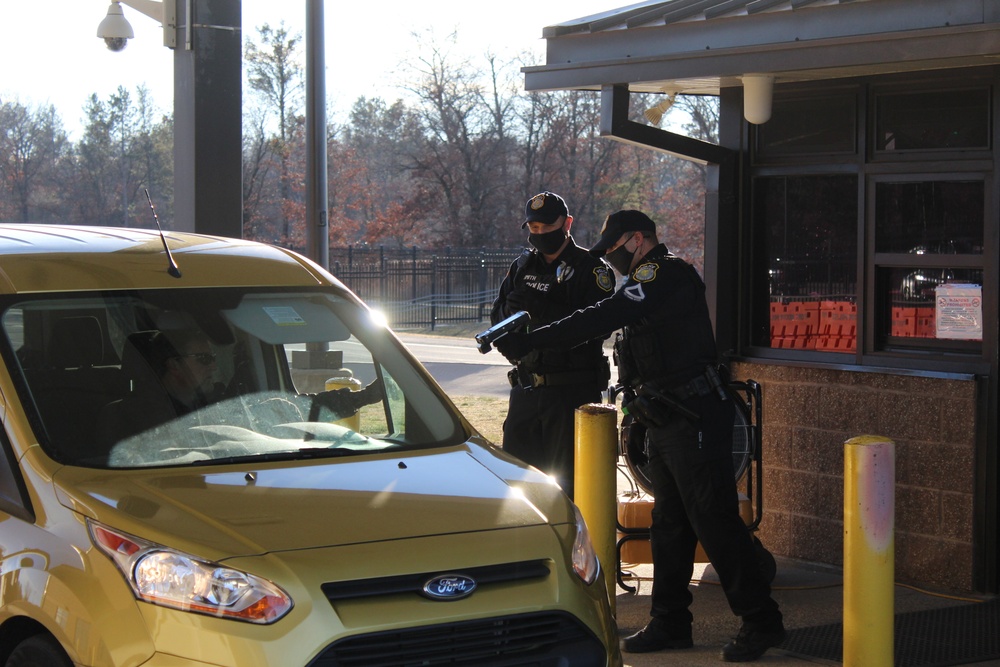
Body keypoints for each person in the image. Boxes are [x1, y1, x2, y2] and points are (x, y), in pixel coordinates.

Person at [496, 209, 785, 662]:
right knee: (669, 523)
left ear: (637, 239)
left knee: (714, 520)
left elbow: (603, 314)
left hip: (696, 417)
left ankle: (761, 620)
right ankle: (671, 621)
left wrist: (537, 339)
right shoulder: (644, 281)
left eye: (614, 251)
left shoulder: (665, 274)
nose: (610, 261)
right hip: (667, 418)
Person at [489, 191, 615, 499]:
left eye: (547, 226)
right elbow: (497, 314)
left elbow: (597, 324)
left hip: (570, 390)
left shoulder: (591, 269)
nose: (541, 234)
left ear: (567, 223)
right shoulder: (522, 266)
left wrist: (541, 310)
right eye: (534, 228)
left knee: (570, 487)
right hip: (526, 389)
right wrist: (511, 329)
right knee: (519, 484)